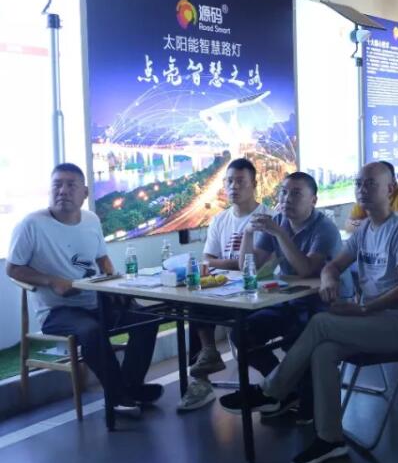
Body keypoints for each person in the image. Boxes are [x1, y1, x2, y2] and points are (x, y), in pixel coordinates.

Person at [220, 162, 398, 463]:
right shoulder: (365, 230)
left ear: (390, 189)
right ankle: (330, 439)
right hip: (372, 319)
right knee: (324, 351)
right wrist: (330, 278)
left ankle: (271, 390)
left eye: (370, 184)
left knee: (320, 322)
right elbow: (332, 266)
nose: (362, 189)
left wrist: (363, 308)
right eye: (358, 183)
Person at [6, 164, 161, 415]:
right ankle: (118, 395)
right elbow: (13, 269)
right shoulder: (31, 224)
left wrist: (112, 281)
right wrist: (51, 281)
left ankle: (130, 387)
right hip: (58, 311)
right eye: (57, 185)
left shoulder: (91, 220)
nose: (63, 191)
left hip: (95, 302)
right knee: (91, 331)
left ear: (85, 193)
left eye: (71, 185)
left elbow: (102, 258)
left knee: (147, 319)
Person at [234, 172, 351, 419]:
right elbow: (248, 266)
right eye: (284, 192)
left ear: (314, 200)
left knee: (300, 334)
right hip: (292, 300)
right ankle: (286, 389)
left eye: (296, 193)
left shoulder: (324, 228)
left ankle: (295, 397)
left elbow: (305, 269)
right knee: (242, 332)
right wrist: (248, 234)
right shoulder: (278, 222)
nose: (286, 199)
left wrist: (280, 234)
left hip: (330, 304)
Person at [177, 158, 271, 411]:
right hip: (226, 291)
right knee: (194, 302)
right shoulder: (220, 220)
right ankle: (203, 373)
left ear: (254, 184)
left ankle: (280, 383)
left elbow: (251, 265)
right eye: (229, 181)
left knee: (235, 328)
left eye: (240, 181)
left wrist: (226, 264)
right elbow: (207, 261)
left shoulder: (267, 219)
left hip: (258, 294)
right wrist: (233, 263)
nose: (233, 187)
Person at [347, 161, 398, 230]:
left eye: (371, 183)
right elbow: (349, 224)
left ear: (392, 183)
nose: (362, 189)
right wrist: (365, 225)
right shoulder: (366, 195)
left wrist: (365, 225)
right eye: (358, 184)